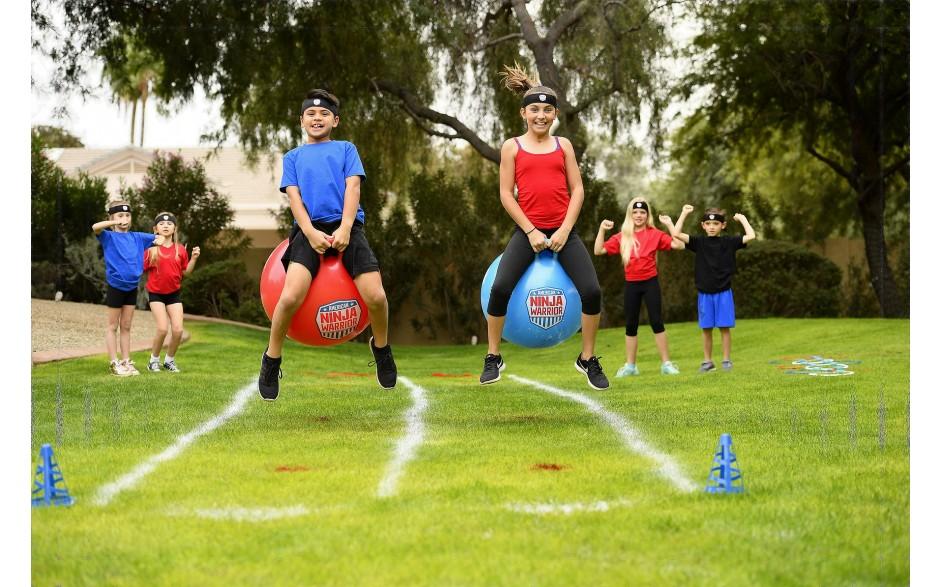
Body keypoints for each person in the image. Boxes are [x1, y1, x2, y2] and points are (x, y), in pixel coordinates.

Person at [258, 89, 397, 400]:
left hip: (346, 226)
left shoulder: (347, 149)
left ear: (335, 120)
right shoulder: (292, 157)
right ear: (301, 120)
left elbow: (353, 188)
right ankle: (271, 358)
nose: (316, 118)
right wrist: (308, 232)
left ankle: (383, 348)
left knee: (376, 296)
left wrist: (346, 228)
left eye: (323, 115)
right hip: (308, 230)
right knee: (291, 294)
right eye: (310, 114)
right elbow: (294, 198)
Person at [480, 64, 608, 390]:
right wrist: (532, 231)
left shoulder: (563, 145)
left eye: (547, 110)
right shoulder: (512, 147)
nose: (541, 115)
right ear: (523, 113)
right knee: (499, 289)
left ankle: (588, 359)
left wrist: (564, 229)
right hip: (528, 232)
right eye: (534, 109)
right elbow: (506, 195)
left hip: (565, 232)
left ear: (555, 115)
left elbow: (577, 190)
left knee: (592, 292)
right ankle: (493, 356)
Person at [594, 197, 684, 377]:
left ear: (647, 215)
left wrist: (670, 225)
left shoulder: (655, 233)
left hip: (650, 282)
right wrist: (602, 230)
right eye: (635, 212)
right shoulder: (623, 236)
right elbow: (598, 250)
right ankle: (631, 366)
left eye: (642, 212)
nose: (638, 215)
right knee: (631, 325)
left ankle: (666, 364)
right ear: (630, 214)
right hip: (632, 284)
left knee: (657, 322)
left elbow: (679, 244)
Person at [660, 205, 756, 372]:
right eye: (708, 224)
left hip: (724, 292)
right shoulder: (699, 242)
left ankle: (726, 361)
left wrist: (742, 219)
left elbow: (751, 236)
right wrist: (683, 213)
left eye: (716, 224)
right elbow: (675, 234)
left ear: (722, 226)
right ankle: (707, 362)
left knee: (724, 328)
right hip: (705, 293)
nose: (712, 227)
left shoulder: (729, 242)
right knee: (706, 329)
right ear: (703, 226)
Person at [92, 200, 164, 376]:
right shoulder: (108, 236)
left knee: (126, 326)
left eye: (127, 215)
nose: (124, 218)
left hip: (131, 288)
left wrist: (160, 239)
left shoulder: (137, 237)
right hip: (116, 287)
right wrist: (114, 223)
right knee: (112, 326)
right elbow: (95, 227)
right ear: (112, 218)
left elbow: (158, 237)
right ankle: (114, 363)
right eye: (120, 215)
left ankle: (126, 361)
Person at [143, 212, 200, 373]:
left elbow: (186, 272)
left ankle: (169, 360)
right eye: (161, 224)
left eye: (169, 224)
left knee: (178, 330)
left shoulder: (180, 250)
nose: (166, 226)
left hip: (173, 294)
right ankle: (153, 361)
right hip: (156, 295)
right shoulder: (151, 250)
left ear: (175, 228)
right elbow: (140, 269)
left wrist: (194, 258)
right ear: (155, 229)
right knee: (162, 329)